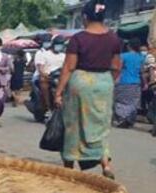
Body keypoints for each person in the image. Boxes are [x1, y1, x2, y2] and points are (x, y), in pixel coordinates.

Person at [55, 0, 121, 178]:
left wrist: (59, 92)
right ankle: (106, 165)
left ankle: (69, 166)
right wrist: (106, 83)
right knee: (100, 126)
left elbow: (69, 67)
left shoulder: (78, 39)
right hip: (104, 83)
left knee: (74, 124)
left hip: (81, 82)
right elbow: (116, 67)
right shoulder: (114, 38)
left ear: (85, 17)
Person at [113, 38, 145, 128]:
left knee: (120, 101)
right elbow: (142, 72)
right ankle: (129, 119)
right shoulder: (141, 57)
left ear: (129, 46)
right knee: (133, 103)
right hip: (136, 83)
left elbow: (118, 69)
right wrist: (145, 83)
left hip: (124, 81)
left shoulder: (123, 56)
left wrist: (114, 79)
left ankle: (123, 118)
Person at [36, 36, 66, 116]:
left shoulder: (63, 56)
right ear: (53, 44)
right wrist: (44, 74)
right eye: (58, 44)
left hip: (60, 78)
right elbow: (40, 68)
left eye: (61, 45)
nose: (60, 46)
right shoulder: (44, 54)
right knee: (44, 84)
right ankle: (48, 107)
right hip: (48, 77)